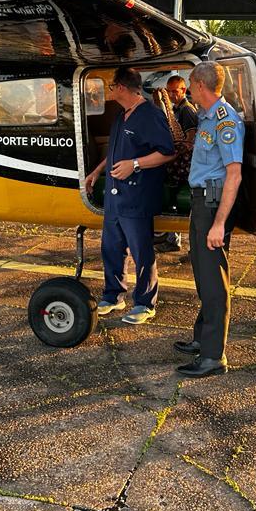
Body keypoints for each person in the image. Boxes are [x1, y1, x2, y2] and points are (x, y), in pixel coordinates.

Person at [86, 67, 175, 325]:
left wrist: (134, 164)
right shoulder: (121, 116)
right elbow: (115, 151)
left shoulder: (150, 115)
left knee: (141, 250)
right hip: (116, 197)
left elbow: (167, 152)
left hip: (137, 196)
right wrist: (97, 171)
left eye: (111, 87)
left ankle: (146, 303)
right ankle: (114, 295)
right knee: (111, 247)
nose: (110, 91)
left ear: (122, 88)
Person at [174, 61, 244, 377]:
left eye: (190, 83)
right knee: (203, 273)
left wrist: (218, 223)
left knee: (214, 279)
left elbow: (234, 174)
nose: (188, 89)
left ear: (200, 86)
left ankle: (214, 356)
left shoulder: (224, 121)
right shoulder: (207, 117)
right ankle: (203, 339)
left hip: (213, 202)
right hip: (203, 200)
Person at [155, 75, 197, 253]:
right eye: (169, 91)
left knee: (165, 184)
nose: (172, 94)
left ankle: (166, 231)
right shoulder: (177, 109)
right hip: (183, 159)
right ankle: (173, 237)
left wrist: (172, 155)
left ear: (184, 90)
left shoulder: (186, 110)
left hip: (186, 162)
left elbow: (190, 139)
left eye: (175, 91)